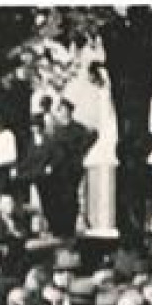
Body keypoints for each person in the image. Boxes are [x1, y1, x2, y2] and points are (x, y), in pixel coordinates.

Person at [41, 99, 98, 238]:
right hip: (57, 172)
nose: (62, 113)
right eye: (60, 110)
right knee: (57, 199)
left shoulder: (78, 129)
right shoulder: (55, 130)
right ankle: (58, 228)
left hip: (72, 170)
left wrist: (77, 157)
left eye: (65, 110)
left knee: (70, 199)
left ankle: (68, 228)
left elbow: (89, 140)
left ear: (70, 111)